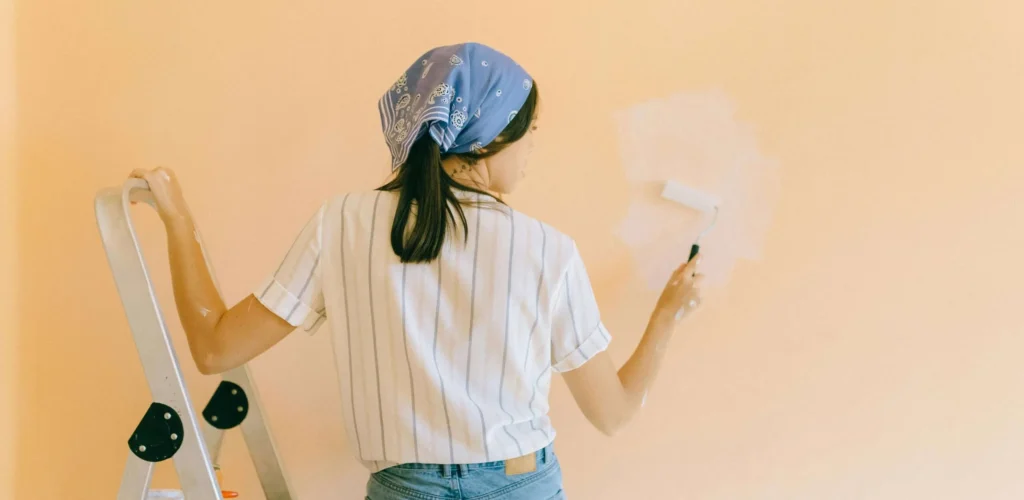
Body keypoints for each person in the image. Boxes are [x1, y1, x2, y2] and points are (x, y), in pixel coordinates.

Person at [130, 42, 703, 499]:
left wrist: (177, 221)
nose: (532, 150)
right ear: (488, 140)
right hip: (522, 485)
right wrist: (668, 313)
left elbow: (214, 348)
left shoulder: (343, 223)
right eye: (528, 134)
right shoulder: (547, 250)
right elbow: (614, 413)